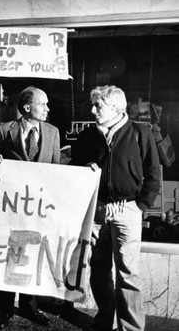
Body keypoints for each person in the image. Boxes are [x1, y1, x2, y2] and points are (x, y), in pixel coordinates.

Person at [71, 85, 160, 331]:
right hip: (97, 212)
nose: (92, 110)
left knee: (128, 273)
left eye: (98, 105)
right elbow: (74, 171)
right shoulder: (87, 136)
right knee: (98, 270)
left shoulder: (140, 133)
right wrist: (86, 173)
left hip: (127, 210)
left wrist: (139, 206)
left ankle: (131, 327)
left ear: (116, 108)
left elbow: (153, 174)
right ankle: (104, 321)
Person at [0, 86, 59, 329]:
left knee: (32, 255)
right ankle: (3, 308)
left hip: (38, 207)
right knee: (8, 255)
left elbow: (56, 171)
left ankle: (31, 307)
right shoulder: (4, 130)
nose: (48, 109)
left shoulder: (53, 132)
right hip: (11, 206)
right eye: (43, 104)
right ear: (28, 107)